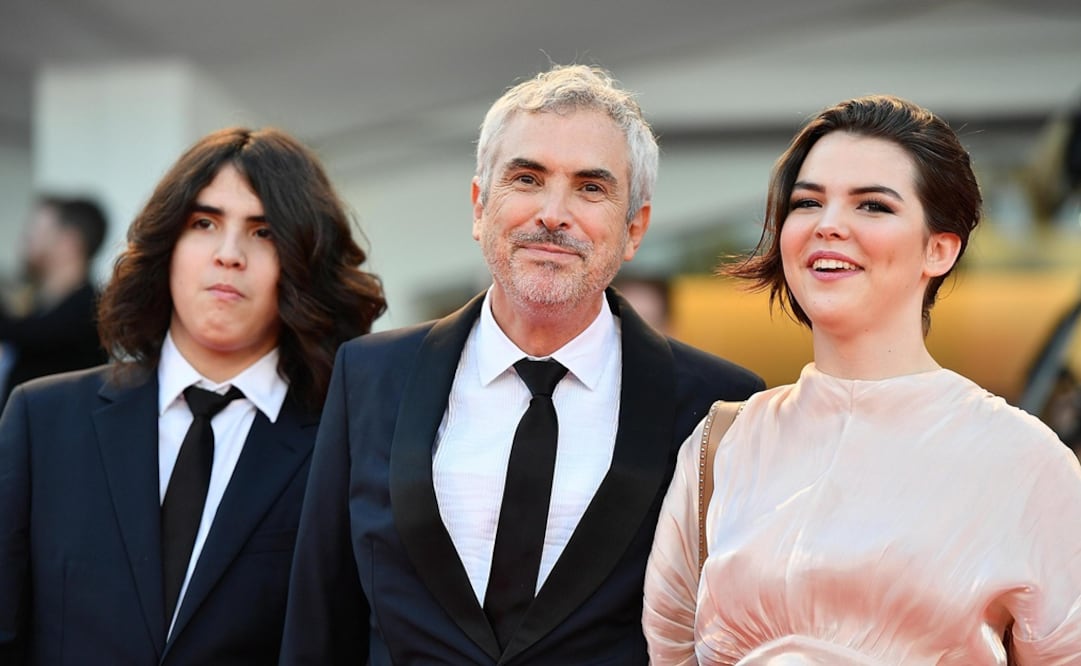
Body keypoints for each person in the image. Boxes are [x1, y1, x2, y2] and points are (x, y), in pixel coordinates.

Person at [280, 64, 764, 665]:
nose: (553, 214)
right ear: (480, 205)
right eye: (527, 178)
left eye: (591, 188)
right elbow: (321, 619)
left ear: (633, 228)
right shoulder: (370, 377)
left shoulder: (719, 407)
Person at [642, 95, 1081, 663]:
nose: (829, 226)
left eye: (872, 206)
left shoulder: (1027, 461)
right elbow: (669, 649)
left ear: (939, 248)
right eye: (807, 203)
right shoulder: (725, 445)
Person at [0, 126, 386, 665]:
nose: (229, 254)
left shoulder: (348, 446)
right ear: (168, 245)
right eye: (204, 223)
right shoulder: (41, 421)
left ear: (302, 262)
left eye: (264, 232)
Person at [0, 196, 109, 407]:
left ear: (69, 242)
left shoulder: (88, 309)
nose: (27, 238)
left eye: (38, 230)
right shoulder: (41, 304)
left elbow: (33, 334)